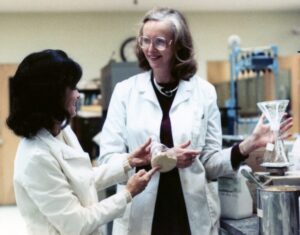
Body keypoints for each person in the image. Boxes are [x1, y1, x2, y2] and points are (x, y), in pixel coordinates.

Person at [99, 8, 293, 235]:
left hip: (190, 218)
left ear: (178, 45)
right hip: (140, 216)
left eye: (160, 42)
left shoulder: (204, 92)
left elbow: (209, 164)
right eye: (145, 40)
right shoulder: (125, 92)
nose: (150, 49)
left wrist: (249, 144)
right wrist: (161, 159)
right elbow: (108, 161)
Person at [6, 49, 159, 235]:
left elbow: (82, 180)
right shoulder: (35, 156)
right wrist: (127, 194)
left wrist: (128, 163)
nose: (78, 95)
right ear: (50, 95)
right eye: (72, 88)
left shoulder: (60, 131)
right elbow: (76, 224)